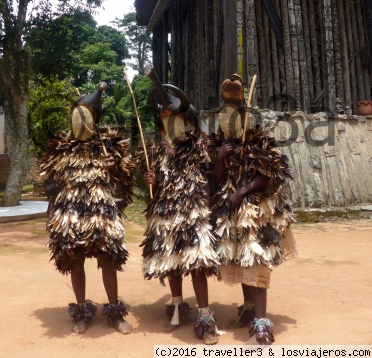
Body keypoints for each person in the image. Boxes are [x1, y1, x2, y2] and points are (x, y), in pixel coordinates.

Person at [40, 82, 136, 335]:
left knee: (107, 261)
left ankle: (114, 313)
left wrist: (114, 168)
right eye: (77, 116)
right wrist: (52, 215)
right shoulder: (61, 150)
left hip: (101, 215)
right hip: (70, 215)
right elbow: (51, 186)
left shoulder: (110, 147)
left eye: (86, 116)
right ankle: (81, 311)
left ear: (94, 120)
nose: (81, 121)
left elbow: (126, 186)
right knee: (76, 260)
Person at [210, 74, 297, 344]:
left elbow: (271, 174)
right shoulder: (221, 145)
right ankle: (248, 310)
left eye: (231, 116)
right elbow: (215, 179)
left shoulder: (258, 141)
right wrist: (221, 159)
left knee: (255, 260)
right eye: (223, 116)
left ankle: (262, 325)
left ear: (241, 117)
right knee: (241, 260)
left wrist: (242, 191)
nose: (226, 121)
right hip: (232, 214)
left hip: (256, 213)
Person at [140, 64, 220, 345]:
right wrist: (148, 177)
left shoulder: (200, 148)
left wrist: (210, 210)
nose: (169, 124)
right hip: (165, 214)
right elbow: (148, 184)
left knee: (197, 264)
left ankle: (205, 315)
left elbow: (211, 179)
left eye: (174, 118)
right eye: (164, 119)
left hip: (194, 213)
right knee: (172, 263)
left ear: (186, 121)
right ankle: (176, 305)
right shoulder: (155, 152)